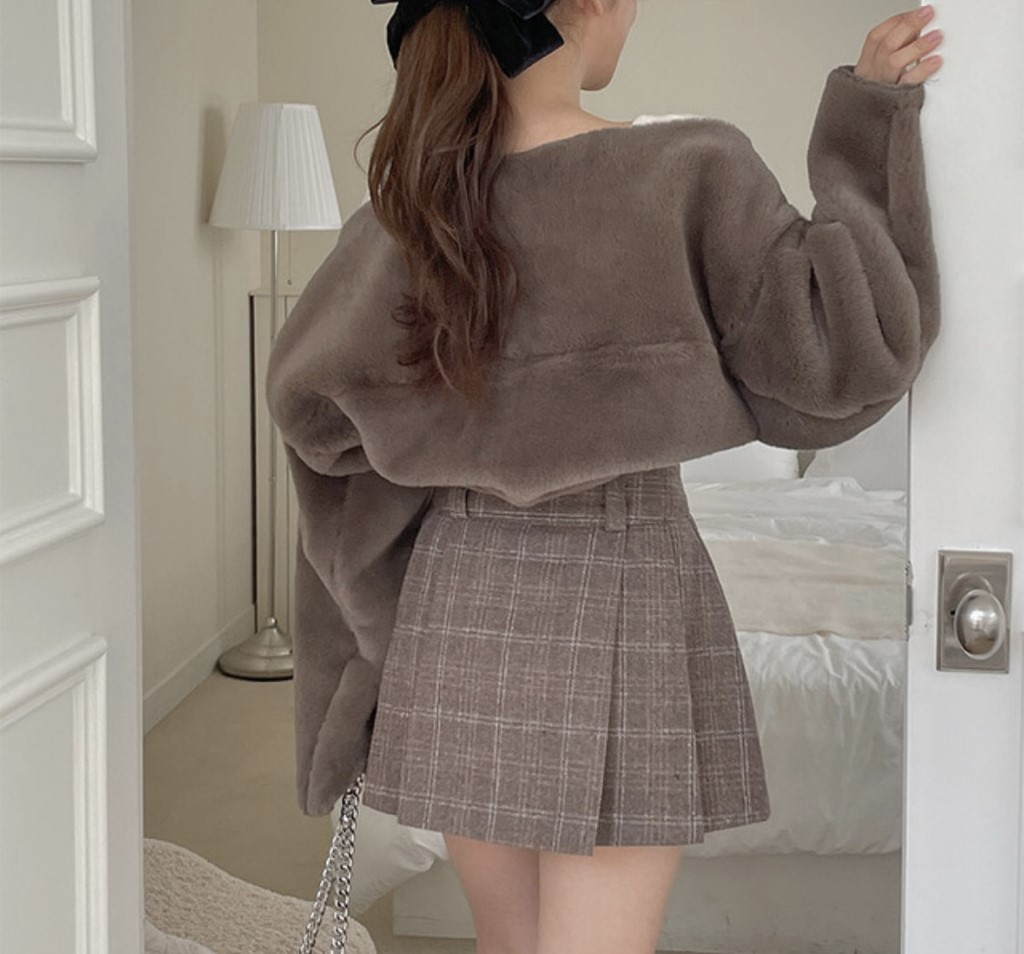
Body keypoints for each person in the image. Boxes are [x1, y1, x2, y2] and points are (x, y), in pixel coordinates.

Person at [265, 2, 944, 951]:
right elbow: (852, 351)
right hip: (625, 586)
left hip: (458, 601)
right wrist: (866, 120)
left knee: (508, 942)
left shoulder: (406, 214)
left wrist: (379, 617)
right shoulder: (686, 168)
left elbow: (317, 424)